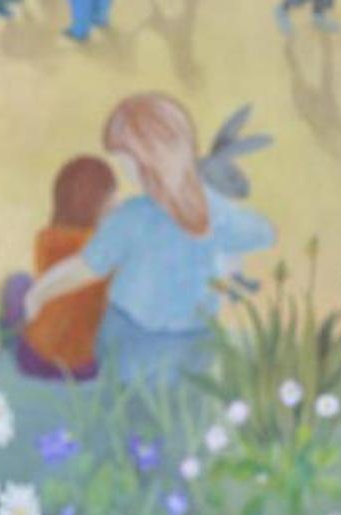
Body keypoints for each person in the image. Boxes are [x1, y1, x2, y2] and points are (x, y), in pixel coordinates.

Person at [23, 93, 275, 384]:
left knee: (126, 407)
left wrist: (39, 292)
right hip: (194, 344)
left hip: (132, 340)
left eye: (125, 162)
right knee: (178, 414)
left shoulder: (132, 217)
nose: (124, 172)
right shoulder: (213, 210)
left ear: (147, 158)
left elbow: (86, 267)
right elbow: (263, 233)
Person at [7, 156, 117, 381]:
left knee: (18, 283)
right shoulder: (103, 252)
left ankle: (8, 333)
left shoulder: (46, 239)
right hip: (82, 370)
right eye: (112, 202)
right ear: (100, 206)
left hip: (32, 359)